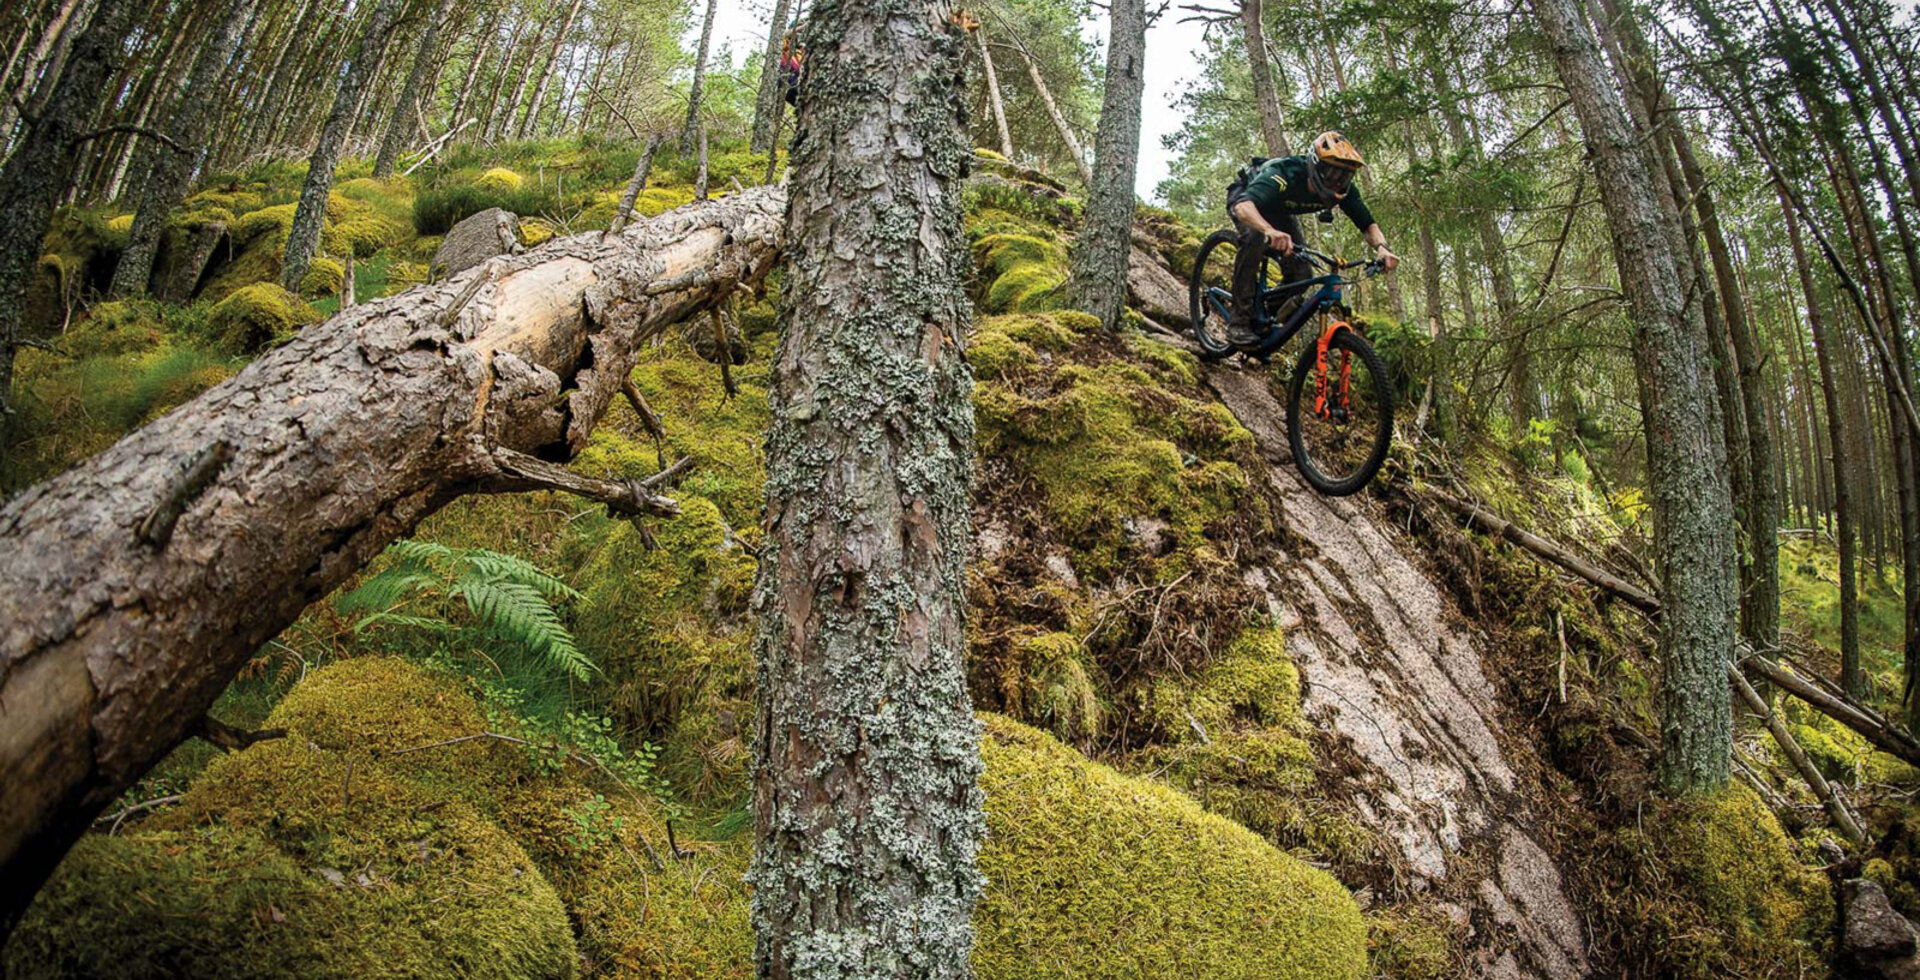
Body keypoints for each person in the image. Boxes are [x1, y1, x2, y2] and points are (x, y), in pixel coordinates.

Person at [1224, 131, 1400, 347]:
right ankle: (1238, 322)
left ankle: (1262, 315)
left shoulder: (1345, 192)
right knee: (1255, 237)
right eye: (1332, 173)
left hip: (1279, 210)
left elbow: (1368, 225)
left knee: (1302, 273)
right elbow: (1243, 207)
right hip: (1247, 198)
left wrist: (1382, 248)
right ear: (1316, 165)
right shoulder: (1284, 174)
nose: (1337, 182)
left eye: (1344, 176)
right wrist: (1268, 230)